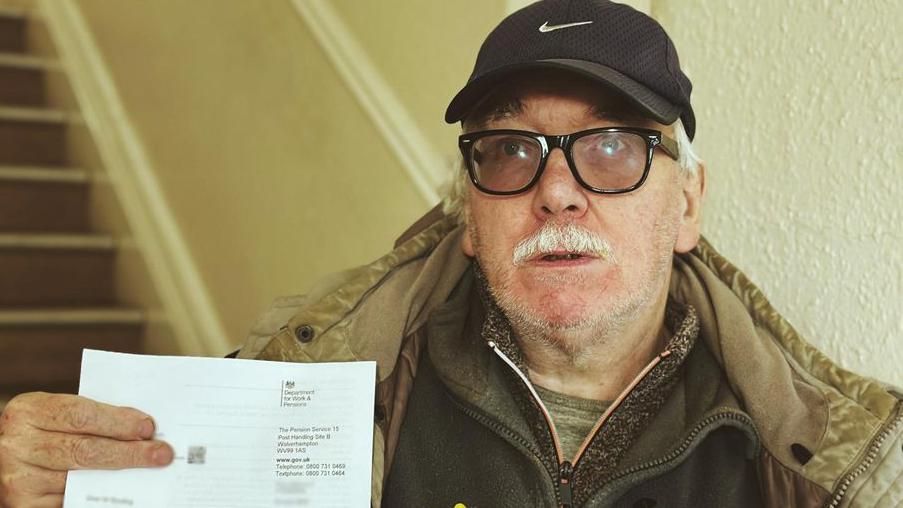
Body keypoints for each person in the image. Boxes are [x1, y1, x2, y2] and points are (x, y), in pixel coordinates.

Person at [1, 1, 901, 506]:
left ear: (686, 204)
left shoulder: (833, 463)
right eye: (509, 149)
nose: (556, 190)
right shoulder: (307, 401)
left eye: (614, 147)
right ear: (469, 214)